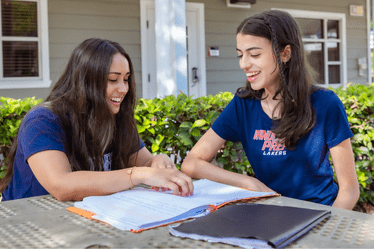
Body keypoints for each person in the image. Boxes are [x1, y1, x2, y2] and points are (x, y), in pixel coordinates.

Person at [181, 10, 359, 210]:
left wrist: (326, 232)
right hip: (270, 214)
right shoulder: (243, 105)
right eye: (240, 55)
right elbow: (191, 163)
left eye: (255, 54)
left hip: (320, 214)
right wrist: (247, 183)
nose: (244, 64)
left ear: (285, 54)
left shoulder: (325, 103)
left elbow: (350, 190)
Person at [0, 38, 193, 202]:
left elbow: (145, 163)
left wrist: (157, 162)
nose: (124, 89)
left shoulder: (116, 117)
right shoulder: (43, 121)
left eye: (126, 79)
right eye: (113, 79)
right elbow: (61, 185)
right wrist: (137, 174)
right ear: (85, 80)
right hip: (29, 221)